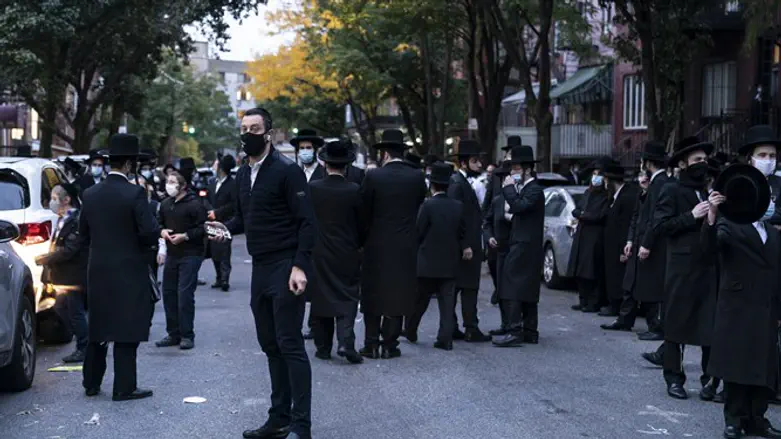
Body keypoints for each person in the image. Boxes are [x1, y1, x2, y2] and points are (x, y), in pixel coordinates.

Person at [208, 107, 315, 439]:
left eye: (254, 128)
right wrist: (223, 228)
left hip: (285, 265)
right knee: (270, 344)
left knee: (290, 343)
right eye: (243, 128)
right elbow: (245, 218)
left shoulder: (287, 171)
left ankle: (301, 425)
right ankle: (279, 418)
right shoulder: (243, 174)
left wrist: (299, 265)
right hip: (261, 268)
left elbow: (307, 223)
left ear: (268, 133)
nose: (248, 134)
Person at [702, 162, 781, 439]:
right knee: (736, 365)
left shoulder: (773, 233)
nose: (769, 202)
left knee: (762, 366)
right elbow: (710, 249)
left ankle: (756, 418)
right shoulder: (730, 225)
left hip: (766, 309)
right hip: (738, 308)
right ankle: (733, 419)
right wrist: (712, 214)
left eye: (771, 197)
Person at [79, 133, 161, 401]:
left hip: (98, 269)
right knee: (127, 328)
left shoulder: (90, 194)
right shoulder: (135, 193)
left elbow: (83, 234)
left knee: (99, 327)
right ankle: (124, 386)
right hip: (129, 268)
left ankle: (91, 382)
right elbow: (148, 233)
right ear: (129, 165)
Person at [650, 136, 718, 401]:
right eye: (697, 160)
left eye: (704, 160)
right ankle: (674, 379)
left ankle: (709, 381)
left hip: (708, 266)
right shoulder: (672, 190)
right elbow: (661, 226)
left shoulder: (708, 191)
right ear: (683, 163)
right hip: (681, 267)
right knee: (677, 325)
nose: (703, 164)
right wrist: (692, 216)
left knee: (709, 325)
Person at [359, 129, 427, 359]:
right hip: (405, 243)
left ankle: (370, 343)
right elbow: (419, 204)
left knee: (373, 291)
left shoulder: (373, 177)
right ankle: (390, 343)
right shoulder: (416, 176)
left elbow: (364, 210)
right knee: (399, 292)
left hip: (376, 243)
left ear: (385, 153)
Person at [308, 139, 364, 364]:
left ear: (324, 164)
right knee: (348, 295)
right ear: (347, 166)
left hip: (318, 250)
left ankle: (323, 346)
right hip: (347, 250)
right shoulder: (355, 190)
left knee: (321, 296)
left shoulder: (312, 189)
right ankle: (345, 341)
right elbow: (363, 223)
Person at [405, 162, 467, 351]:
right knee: (447, 304)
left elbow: (419, 231)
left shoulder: (427, 206)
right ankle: (445, 338)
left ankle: (410, 329)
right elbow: (461, 232)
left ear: (432, 186)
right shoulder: (458, 206)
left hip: (427, 261)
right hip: (449, 261)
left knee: (420, 301)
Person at [492, 144, 545, 347]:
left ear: (527, 169)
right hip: (523, 243)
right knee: (525, 287)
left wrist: (508, 189)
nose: (512, 172)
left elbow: (518, 206)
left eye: (516, 168)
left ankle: (515, 330)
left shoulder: (534, 189)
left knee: (514, 286)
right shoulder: (527, 188)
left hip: (525, 245)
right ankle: (530, 331)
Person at [35, 184, 88, 363]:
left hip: (72, 276)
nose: (52, 202)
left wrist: (46, 258)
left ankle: (84, 346)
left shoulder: (76, 220)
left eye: (55, 198)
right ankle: (83, 340)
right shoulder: (62, 218)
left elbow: (69, 249)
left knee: (75, 311)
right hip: (62, 276)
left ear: (67, 200)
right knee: (61, 308)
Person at [155, 171, 207, 351]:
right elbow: (158, 223)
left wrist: (185, 236)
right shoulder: (165, 204)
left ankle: (187, 334)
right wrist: (162, 232)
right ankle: (173, 333)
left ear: (182, 185)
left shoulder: (194, 204)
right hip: (172, 254)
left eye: (172, 182)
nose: (168, 185)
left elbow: (203, 228)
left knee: (184, 294)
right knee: (169, 293)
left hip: (191, 253)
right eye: (167, 181)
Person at [447, 139, 490, 342]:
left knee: (464, 288)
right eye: (475, 161)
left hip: (468, 245)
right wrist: (465, 245)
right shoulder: (457, 184)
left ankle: (456, 325)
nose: (479, 165)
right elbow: (457, 217)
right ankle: (468, 327)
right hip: (465, 247)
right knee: (466, 288)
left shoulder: (461, 182)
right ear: (463, 163)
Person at [630, 140, 671, 342]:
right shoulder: (656, 183)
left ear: (647, 162)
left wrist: (646, 243)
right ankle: (655, 325)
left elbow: (655, 216)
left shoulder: (661, 182)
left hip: (655, 243)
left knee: (654, 286)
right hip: (652, 240)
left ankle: (657, 326)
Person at [566, 158, 611, 313]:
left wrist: (583, 215)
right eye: (594, 174)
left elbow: (599, 216)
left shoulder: (605, 195)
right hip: (582, 234)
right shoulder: (588, 192)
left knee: (592, 270)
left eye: (599, 174)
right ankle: (583, 299)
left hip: (595, 235)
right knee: (580, 269)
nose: (595, 177)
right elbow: (576, 210)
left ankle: (594, 301)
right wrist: (583, 214)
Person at [601, 162, 640, 318]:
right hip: (612, 246)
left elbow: (624, 226)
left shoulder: (626, 197)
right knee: (613, 275)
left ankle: (618, 307)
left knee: (619, 277)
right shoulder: (616, 197)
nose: (604, 184)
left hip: (620, 247)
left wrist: (624, 247)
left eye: (605, 180)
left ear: (611, 180)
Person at [484, 160, 512, 329]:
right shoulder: (497, 200)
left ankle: (514, 324)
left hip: (514, 250)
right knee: (500, 286)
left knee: (511, 289)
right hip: (497, 249)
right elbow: (487, 221)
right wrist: (489, 237)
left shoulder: (520, 200)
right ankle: (505, 323)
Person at [207, 154, 237, 291]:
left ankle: (225, 279)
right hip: (211, 222)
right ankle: (218, 277)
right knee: (214, 251)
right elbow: (207, 199)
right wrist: (209, 211)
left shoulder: (232, 184)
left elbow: (233, 205)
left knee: (224, 250)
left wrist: (217, 213)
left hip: (225, 221)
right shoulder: (212, 182)